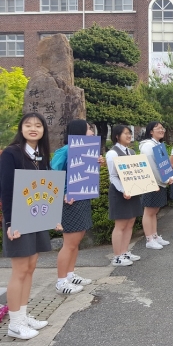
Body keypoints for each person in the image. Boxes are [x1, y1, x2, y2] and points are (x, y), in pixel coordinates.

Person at [0, 113, 59, 339]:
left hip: (37, 217)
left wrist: (53, 216)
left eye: (38, 125)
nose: (33, 128)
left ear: (43, 130)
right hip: (18, 219)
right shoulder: (12, 153)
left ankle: (23, 315)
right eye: (28, 125)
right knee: (20, 270)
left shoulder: (41, 156)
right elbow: (6, 189)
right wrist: (10, 222)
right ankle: (14, 323)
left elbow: (46, 189)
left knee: (31, 266)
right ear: (21, 128)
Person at [51, 120, 104, 294]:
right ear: (80, 131)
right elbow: (52, 174)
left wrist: (96, 163)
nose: (91, 131)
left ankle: (70, 274)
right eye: (89, 128)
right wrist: (62, 194)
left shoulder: (87, 151)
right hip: (69, 201)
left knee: (77, 239)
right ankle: (61, 281)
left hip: (82, 197)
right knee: (69, 242)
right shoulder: (65, 150)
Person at [106, 125, 143, 266]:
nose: (129, 136)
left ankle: (125, 251)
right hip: (119, 192)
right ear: (117, 136)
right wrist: (123, 190)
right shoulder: (112, 154)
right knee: (120, 224)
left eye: (130, 133)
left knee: (130, 223)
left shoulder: (132, 152)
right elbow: (113, 176)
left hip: (132, 191)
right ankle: (117, 256)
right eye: (125, 133)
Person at [138, 121, 173, 250]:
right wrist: (164, 180)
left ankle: (154, 235)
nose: (161, 130)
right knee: (149, 211)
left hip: (160, 182)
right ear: (150, 131)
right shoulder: (147, 146)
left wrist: (169, 176)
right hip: (152, 182)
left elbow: (164, 165)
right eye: (157, 128)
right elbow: (151, 167)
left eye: (162, 128)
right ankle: (149, 239)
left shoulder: (158, 145)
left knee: (155, 211)